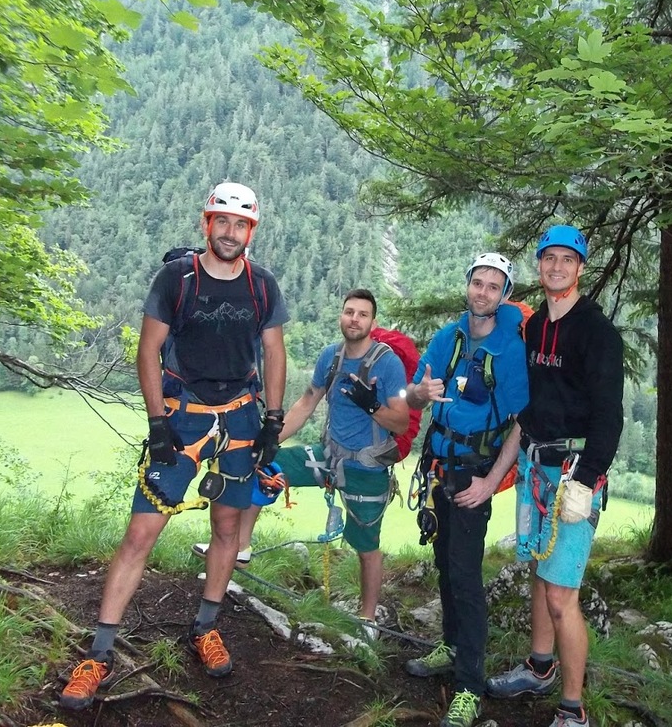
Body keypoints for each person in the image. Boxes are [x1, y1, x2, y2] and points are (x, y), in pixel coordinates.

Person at [59, 181, 288, 710]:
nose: (230, 232)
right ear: (207, 224)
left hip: (240, 416)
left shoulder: (261, 285)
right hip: (183, 416)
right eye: (221, 221)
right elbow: (149, 350)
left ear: (250, 231)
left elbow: (275, 352)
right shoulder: (177, 279)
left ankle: (204, 627)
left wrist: (273, 420)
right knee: (141, 533)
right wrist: (158, 422)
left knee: (227, 528)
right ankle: (99, 653)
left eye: (240, 224)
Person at [484, 225, 624, 727]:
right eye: (549, 258)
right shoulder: (536, 326)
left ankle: (573, 709)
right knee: (539, 573)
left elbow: (609, 417)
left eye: (568, 259)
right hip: (535, 469)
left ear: (581, 267)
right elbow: (529, 408)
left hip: (572, 474)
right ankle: (539, 667)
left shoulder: (597, 333)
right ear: (539, 264)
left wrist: (586, 482)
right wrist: (500, 471)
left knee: (562, 594)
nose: (557, 267)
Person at [403, 253, 529, 727]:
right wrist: (419, 394)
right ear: (468, 285)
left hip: (475, 474)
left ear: (505, 295)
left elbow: (523, 421)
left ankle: (470, 687)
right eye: (478, 283)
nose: (483, 292)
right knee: (445, 564)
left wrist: (491, 483)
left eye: (494, 286)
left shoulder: (509, 349)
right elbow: (414, 394)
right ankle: (451, 645)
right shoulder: (448, 337)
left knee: (466, 575)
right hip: (441, 470)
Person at [240, 289, 410, 626]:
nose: (354, 319)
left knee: (366, 547)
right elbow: (307, 402)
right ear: (341, 316)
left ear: (372, 322)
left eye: (362, 314)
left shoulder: (387, 364)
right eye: (349, 312)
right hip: (329, 456)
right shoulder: (331, 357)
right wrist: (269, 441)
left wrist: (372, 405)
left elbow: (401, 422)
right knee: (267, 468)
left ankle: (367, 619)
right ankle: (240, 547)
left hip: (366, 467)